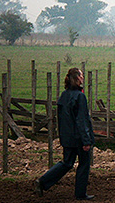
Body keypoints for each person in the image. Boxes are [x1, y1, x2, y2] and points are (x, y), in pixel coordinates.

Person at [35, 68, 95, 200]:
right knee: (84, 164)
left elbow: (62, 118)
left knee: (67, 163)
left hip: (67, 137)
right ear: (78, 78)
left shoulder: (63, 95)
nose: (83, 77)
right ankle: (80, 194)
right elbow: (82, 120)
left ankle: (43, 182)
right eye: (81, 75)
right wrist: (86, 140)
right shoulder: (80, 96)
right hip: (79, 137)